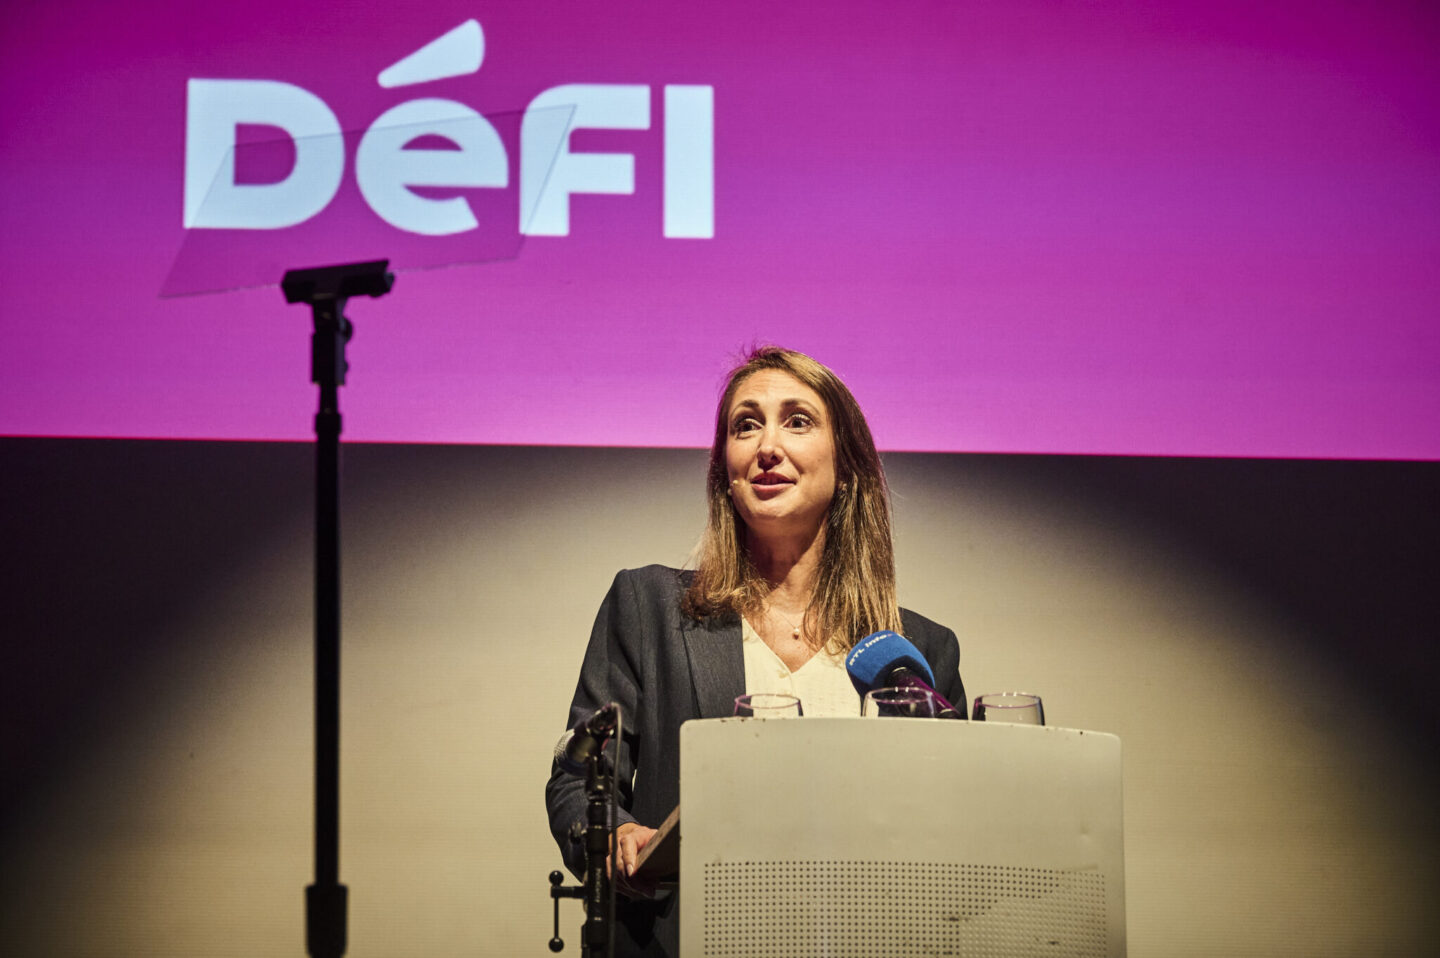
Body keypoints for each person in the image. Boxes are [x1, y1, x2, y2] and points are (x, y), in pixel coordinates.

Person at [544, 346, 965, 956]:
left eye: (797, 421)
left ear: (846, 464)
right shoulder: (649, 607)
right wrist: (613, 835)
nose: (767, 446)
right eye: (746, 425)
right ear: (726, 472)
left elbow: (952, 824)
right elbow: (579, 779)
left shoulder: (918, 651)